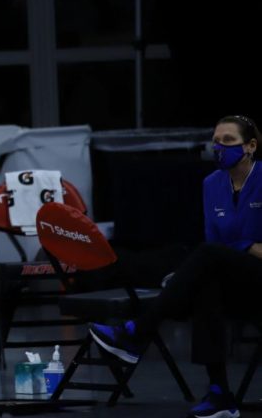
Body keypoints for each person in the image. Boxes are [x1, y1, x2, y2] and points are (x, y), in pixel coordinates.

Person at [90, 114, 262, 418]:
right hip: (233, 278)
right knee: (207, 283)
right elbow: (215, 241)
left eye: (228, 141)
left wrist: (244, 246)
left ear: (250, 146)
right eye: (216, 141)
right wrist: (245, 244)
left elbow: (222, 247)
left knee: (207, 261)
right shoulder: (211, 184)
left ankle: (136, 333)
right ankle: (220, 394)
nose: (219, 147)